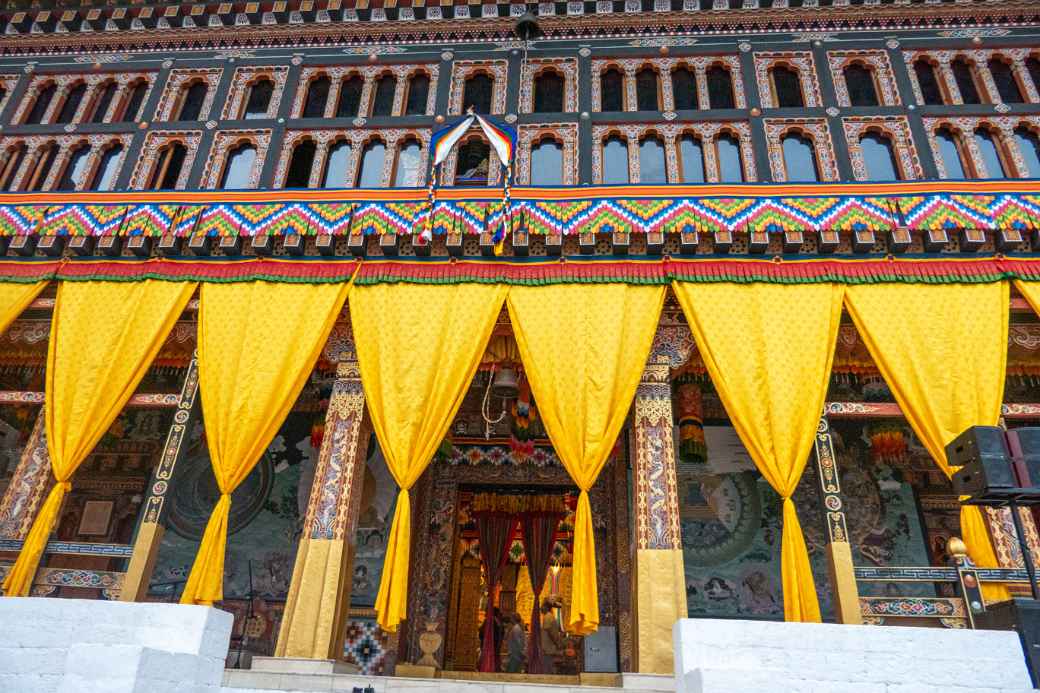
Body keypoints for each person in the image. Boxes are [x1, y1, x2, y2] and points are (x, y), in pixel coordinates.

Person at [539, 599, 564, 674]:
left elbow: (551, 633)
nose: (541, 608)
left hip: (548, 648)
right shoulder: (548, 616)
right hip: (547, 647)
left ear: (546, 607)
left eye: (542, 607)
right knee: (547, 666)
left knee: (547, 668)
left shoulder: (548, 617)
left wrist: (557, 643)